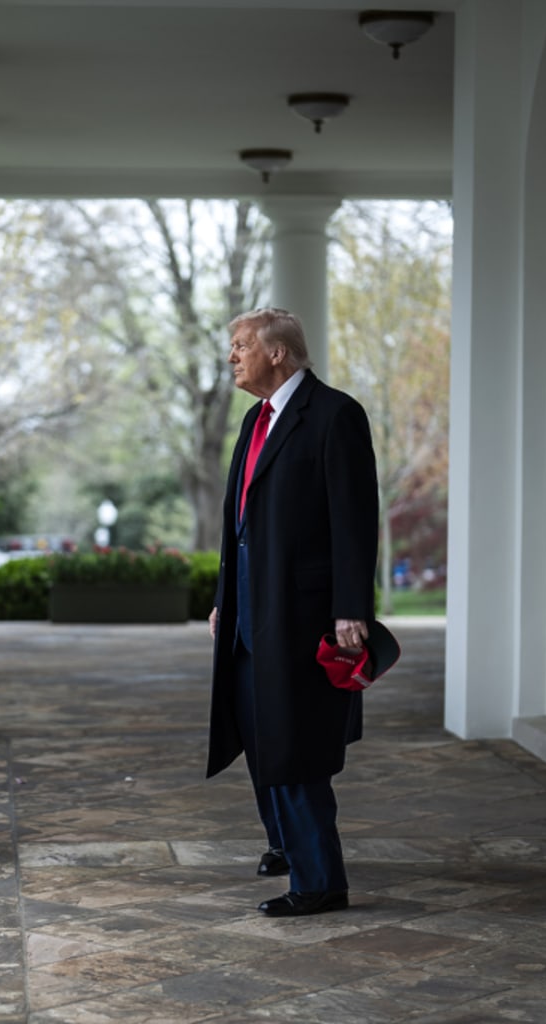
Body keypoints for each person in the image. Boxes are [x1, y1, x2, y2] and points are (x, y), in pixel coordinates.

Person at [206, 307, 379, 917]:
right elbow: (242, 524)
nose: (231, 355)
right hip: (252, 613)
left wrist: (351, 608)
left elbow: (353, 520)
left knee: (296, 743)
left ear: (277, 353)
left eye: (240, 344)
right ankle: (284, 842)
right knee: (260, 734)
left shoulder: (336, 415)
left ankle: (320, 881)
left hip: (304, 615)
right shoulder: (255, 419)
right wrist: (227, 598)